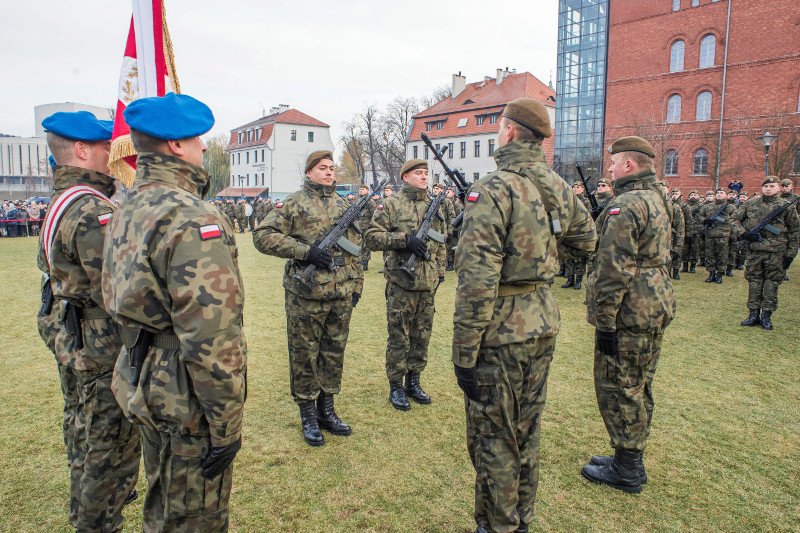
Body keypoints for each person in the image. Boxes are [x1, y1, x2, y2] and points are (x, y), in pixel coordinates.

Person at [103, 93, 246, 531]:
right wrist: (225, 421)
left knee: (162, 499)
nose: (205, 147)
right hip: (184, 390)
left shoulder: (128, 205)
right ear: (177, 146)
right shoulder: (188, 215)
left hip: (142, 372)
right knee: (191, 516)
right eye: (199, 139)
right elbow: (209, 334)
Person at [452, 98, 597, 533]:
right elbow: (587, 241)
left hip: (499, 331)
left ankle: (498, 525)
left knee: (494, 434)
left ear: (510, 132)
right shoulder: (556, 186)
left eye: (499, 126)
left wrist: (463, 353)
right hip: (541, 319)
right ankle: (520, 521)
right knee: (527, 429)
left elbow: (476, 281)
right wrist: (543, 261)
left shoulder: (494, 189)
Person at [37, 110, 140, 530]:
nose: (113, 155)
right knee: (107, 447)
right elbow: (120, 289)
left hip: (75, 337)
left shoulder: (61, 203)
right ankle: (96, 521)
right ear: (81, 151)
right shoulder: (93, 211)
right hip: (102, 347)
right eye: (105, 147)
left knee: (81, 431)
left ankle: (85, 507)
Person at [582, 136, 675, 494]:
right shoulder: (658, 197)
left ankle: (628, 468)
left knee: (620, 385)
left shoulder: (628, 204)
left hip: (630, 309)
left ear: (630, 166)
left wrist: (604, 319)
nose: (610, 168)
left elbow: (612, 268)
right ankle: (626, 455)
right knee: (639, 381)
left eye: (614, 162)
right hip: (654, 301)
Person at [253, 150, 362, 446]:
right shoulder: (294, 203)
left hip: (341, 292)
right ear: (309, 172)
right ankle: (307, 413)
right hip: (306, 293)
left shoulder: (344, 204)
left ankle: (327, 409)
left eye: (331, 168)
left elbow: (357, 248)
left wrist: (357, 285)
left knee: (333, 351)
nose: (329, 173)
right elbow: (262, 235)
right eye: (322, 168)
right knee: (304, 353)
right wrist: (305, 251)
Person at [365, 159, 446, 411]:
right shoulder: (391, 204)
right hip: (401, 283)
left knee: (422, 337)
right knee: (400, 336)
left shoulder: (434, 206)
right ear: (405, 177)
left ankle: (414, 381)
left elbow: (441, 242)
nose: (424, 177)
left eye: (426, 173)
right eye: (418, 174)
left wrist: (440, 273)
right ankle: (396, 386)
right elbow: (371, 237)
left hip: (427, 284)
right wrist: (404, 240)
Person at [731, 176, 799, 330]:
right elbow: (734, 219)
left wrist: (790, 254)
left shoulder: (786, 206)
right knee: (754, 282)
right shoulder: (751, 203)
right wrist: (743, 233)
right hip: (755, 251)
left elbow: (795, 231)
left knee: (771, 284)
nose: (768, 189)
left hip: (777, 252)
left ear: (779, 188)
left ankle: (766, 316)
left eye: (772, 186)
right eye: (765, 186)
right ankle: (753, 314)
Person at [698, 188, 737, 283]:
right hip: (710, 234)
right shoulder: (707, 206)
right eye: (718, 193)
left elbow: (735, 220)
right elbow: (700, 216)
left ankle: (719, 274)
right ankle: (711, 274)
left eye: (722, 193)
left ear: (726, 195)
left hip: (723, 235)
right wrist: (705, 220)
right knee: (710, 255)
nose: (719, 194)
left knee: (722, 256)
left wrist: (733, 235)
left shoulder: (730, 207)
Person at [562, 181, 592, 289]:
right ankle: (570, 280)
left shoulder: (586, 202)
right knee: (568, 257)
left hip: (580, 232)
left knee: (579, 258)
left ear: (583, 189)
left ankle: (578, 281)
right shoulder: (569, 200)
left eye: (578, 187)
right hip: (568, 231)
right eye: (574, 187)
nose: (575, 189)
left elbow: (588, 217)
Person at [682, 190, 703, 273]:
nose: (693, 196)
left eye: (695, 194)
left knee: (695, 249)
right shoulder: (685, 206)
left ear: (698, 196)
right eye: (691, 195)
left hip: (696, 231)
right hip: (686, 230)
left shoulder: (702, 207)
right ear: (689, 197)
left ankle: (693, 266)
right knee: (685, 249)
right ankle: (685, 266)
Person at [355, 184, 375, 270]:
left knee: (366, 245)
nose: (361, 191)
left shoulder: (370, 201)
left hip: (367, 226)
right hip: (358, 226)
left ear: (367, 191)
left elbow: (374, 214)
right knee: (359, 244)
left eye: (363, 189)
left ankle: (365, 263)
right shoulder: (358, 200)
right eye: (360, 189)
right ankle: (359, 261)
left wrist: (371, 226)